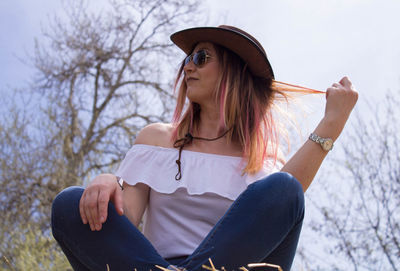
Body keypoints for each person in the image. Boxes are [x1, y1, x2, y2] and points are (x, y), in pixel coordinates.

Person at [51, 25, 358, 271]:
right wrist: (108, 184)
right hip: (149, 266)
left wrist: (333, 122)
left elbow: (286, 201)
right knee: (68, 204)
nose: (188, 68)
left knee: (285, 188)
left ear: (233, 71)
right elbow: (126, 221)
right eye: (186, 60)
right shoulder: (157, 139)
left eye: (200, 58)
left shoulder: (262, 160)